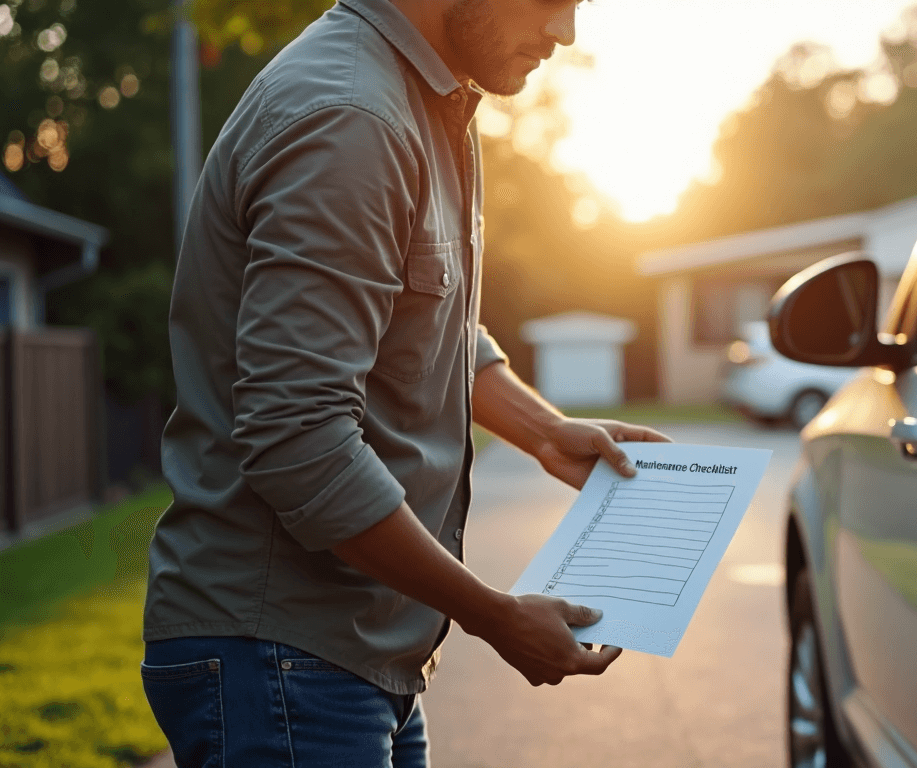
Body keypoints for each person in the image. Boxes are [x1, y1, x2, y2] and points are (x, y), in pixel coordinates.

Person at [140, 0, 670, 764]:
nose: (566, 31)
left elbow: (430, 321)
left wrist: (545, 432)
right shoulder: (353, 118)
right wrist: (494, 615)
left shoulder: (422, 99)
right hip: (283, 660)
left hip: (341, 658)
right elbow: (299, 439)